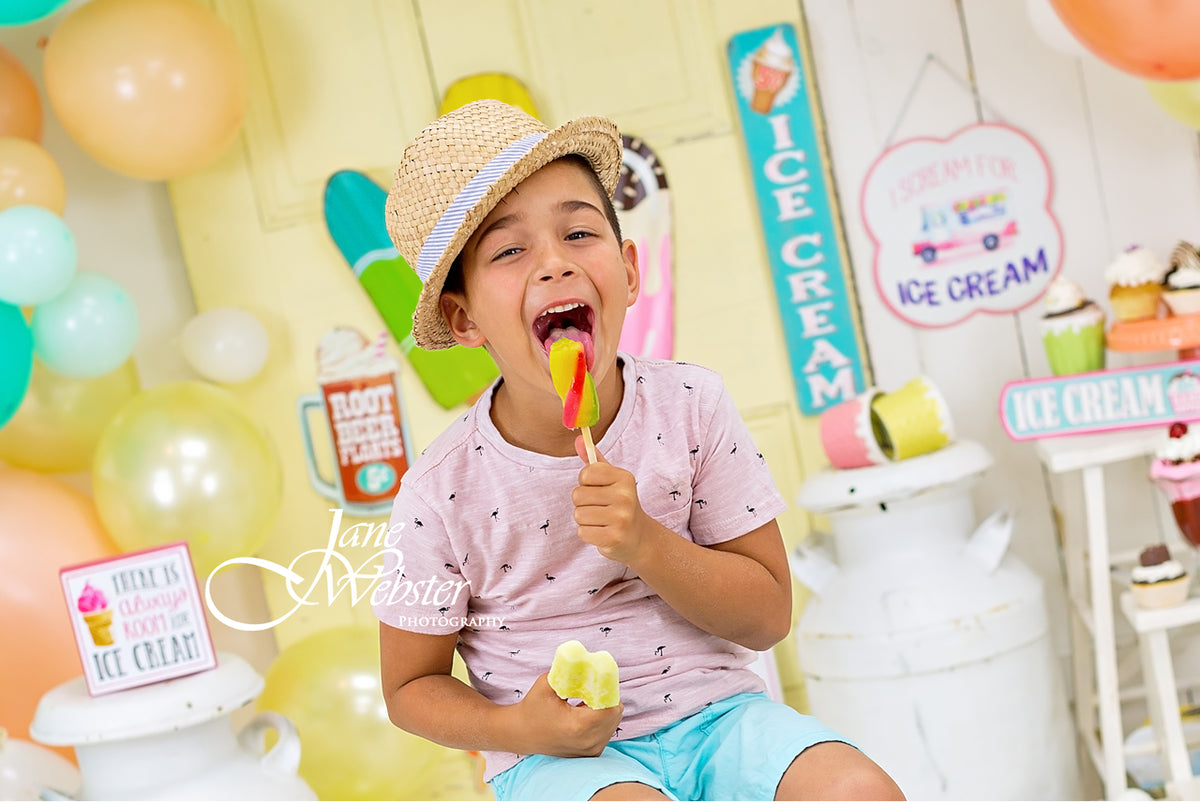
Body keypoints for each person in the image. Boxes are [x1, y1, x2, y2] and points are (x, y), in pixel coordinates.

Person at [372, 99, 905, 802]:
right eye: (510, 249)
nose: (555, 263)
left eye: (579, 232)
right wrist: (523, 729)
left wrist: (647, 543)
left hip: (721, 721)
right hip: (558, 762)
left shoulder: (691, 408)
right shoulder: (441, 490)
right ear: (463, 316)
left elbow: (769, 615)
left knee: (856, 791)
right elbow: (410, 688)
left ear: (628, 270)